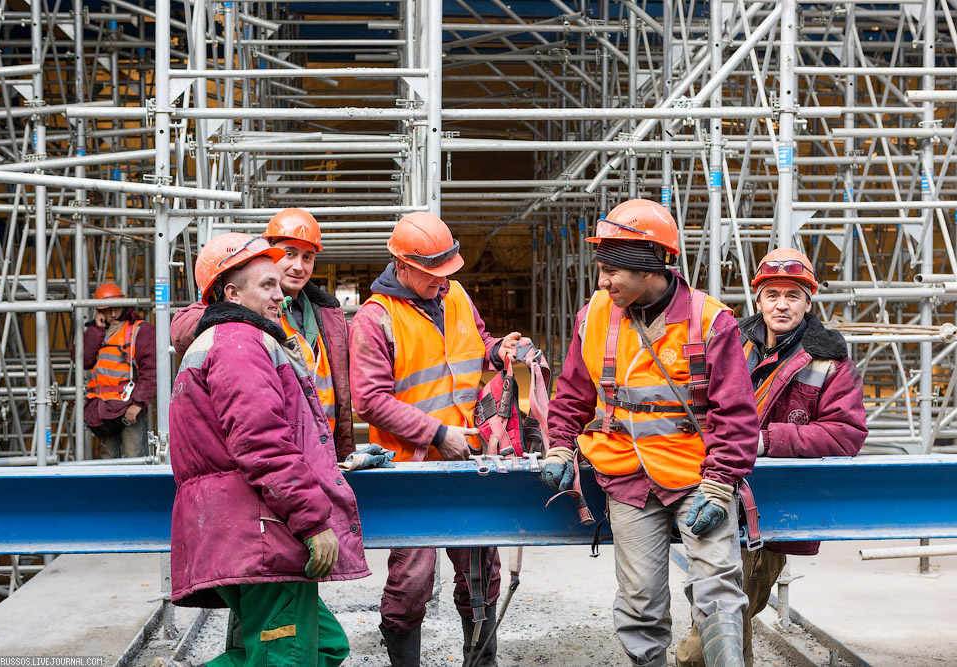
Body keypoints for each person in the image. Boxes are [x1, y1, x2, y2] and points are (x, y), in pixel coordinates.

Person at [541, 199, 760, 667]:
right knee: (640, 602)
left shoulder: (710, 321)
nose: (602, 281)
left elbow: (738, 414)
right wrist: (559, 443)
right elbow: (572, 393)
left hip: (698, 477)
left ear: (647, 267)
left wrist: (721, 483)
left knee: (719, 587)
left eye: (611, 270)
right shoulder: (595, 315)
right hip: (627, 477)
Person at [166, 232, 369, 667]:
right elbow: (262, 442)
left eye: (280, 284)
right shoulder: (239, 340)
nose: (281, 295)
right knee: (287, 659)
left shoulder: (220, 342)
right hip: (261, 529)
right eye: (267, 286)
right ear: (231, 293)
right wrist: (314, 522)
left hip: (238, 529)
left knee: (324, 646)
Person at [348, 211, 528, 667]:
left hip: (469, 459)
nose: (442, 282)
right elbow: (368, 400)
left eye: (447, 272)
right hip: (410, 469)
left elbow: (476, 344)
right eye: (432, 275)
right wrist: (437, 433)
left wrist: (497, 350)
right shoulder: (376, 319)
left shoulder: (456, 295)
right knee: (412, 580)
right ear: (401, 266)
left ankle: (480, 661)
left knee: (481, 574)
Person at [676, 248, 868, 667]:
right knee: (723, 616)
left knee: (713, 632)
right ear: (757, 298)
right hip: (712, 492)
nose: (782, 304)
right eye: (773, 294)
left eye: (793, 295)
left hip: (769, 511)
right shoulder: (728, 342)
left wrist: (764, 440)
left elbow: (846, 434)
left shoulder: (829, 360)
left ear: (808, 302)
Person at [171, 208, 355, 461]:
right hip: (278, 452)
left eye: (307, 257)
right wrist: (239, 313)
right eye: (289, 254)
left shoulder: (328, 314)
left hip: (325, 451)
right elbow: (182, 328)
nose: (298, 266)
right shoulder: (241, 301)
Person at [82, 282, 156, 459]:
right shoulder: (96, 331)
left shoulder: (139, 330)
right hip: (102, 409)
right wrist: (96, 330)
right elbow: (84, 360)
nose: (113, 314)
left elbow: (151, 370)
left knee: (134, 457)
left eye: (116, 308)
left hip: (128, 407)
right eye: (107, 310)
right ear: (99, 311)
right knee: (108, 460)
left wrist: (138, 404)